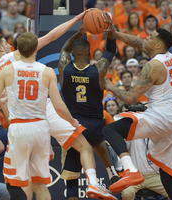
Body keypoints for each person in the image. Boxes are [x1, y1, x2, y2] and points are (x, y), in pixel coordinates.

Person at [0, 32, 115, 200]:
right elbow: (59, 105)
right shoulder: (45, 71)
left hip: (20, 126)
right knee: (83, 147)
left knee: (26, 183)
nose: (10, 46)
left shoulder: (3, 72)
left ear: (19, 49)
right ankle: (94, 184)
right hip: (42, 121)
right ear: (34, 50)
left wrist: (5, 99)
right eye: (6, 43)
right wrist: (72, 121)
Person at [103, 27, 172, 200]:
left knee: (110, 130)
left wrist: (110, 86)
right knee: (168, 180)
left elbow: (130, 98)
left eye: (151, 37)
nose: (146, 38)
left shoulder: (153, 65)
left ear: (157, 45)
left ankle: (130, 170)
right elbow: (138, 42)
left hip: (164, 116)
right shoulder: (168, 55)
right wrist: (116, 33)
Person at [58, 20, 119, 200]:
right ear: (90, 53)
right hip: (94, 124)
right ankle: (111, 173)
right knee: (99, 143)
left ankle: (107, 175)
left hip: (74, 126)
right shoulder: (98, 69)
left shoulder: (65, 67)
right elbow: (110, 51)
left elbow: (63, 49)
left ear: (73, 54)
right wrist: (111, 33)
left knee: (71, 177)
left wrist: (78, 33)